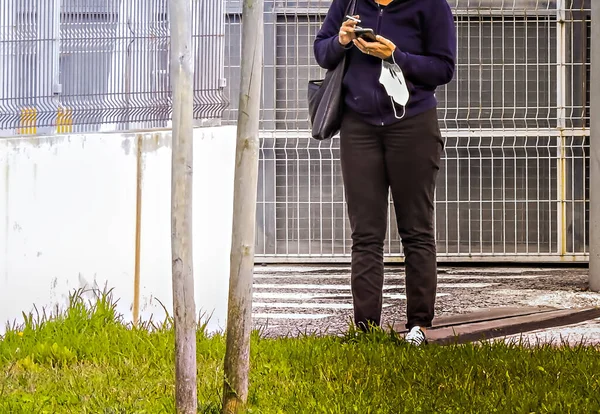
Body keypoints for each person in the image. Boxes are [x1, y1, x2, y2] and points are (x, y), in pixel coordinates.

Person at [313, 0, 456, 346]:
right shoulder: (348, 2)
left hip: (413, 125)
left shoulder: (431, 5)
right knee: (365, 234)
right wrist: (342, 40)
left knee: (417, 231)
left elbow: (443, 68)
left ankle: (419, 326)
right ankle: (365, 329)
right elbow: (322, 51)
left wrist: (396, 56)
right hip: (358, 127)